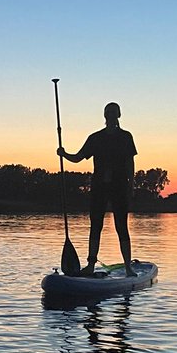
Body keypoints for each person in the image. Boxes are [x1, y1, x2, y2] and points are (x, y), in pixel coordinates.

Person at [58, 101, 137, 276]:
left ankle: (128, 268)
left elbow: (130, 162)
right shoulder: (96, 138)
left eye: (114, 113)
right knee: (96, 226)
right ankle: (91, 265)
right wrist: (64, 154)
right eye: (108, 113)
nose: (111, 116)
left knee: (121, 226)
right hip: (99, 187)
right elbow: (78, 157)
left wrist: (131, 185)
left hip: (119, 186)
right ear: (105, 116)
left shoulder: (126, 137)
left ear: (119, 115)